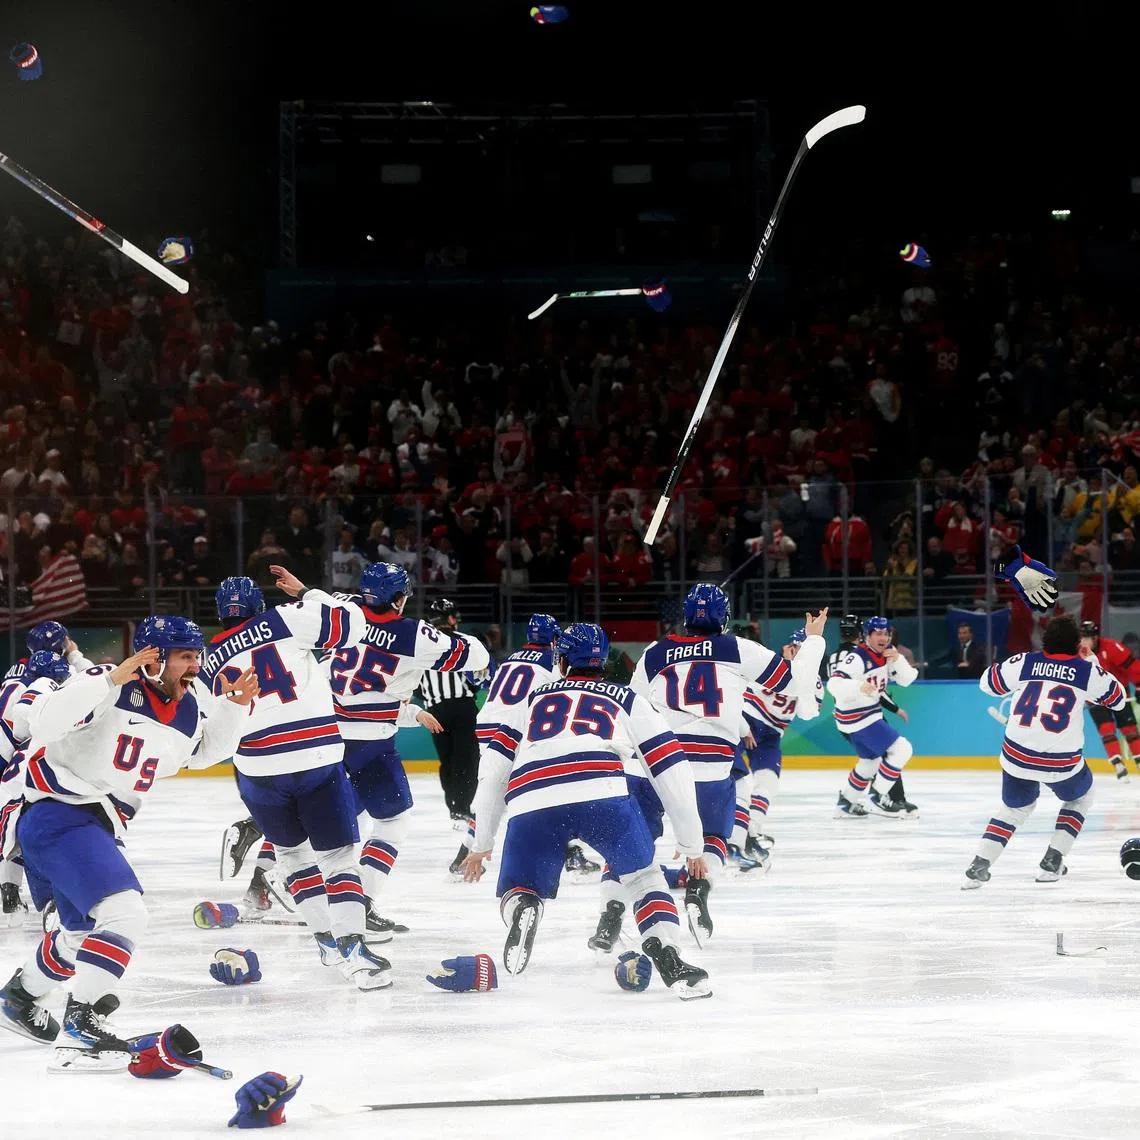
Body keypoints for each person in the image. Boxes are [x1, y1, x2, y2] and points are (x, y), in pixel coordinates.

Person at [0, 619, 256, 1071]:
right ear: (153, 658)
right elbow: (44, 722)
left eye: (196, 656)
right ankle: (80, 1029)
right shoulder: (106, 682)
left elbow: (199, 754)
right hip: (58, 813)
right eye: (185, 656)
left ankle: (19, 998)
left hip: (91, 825)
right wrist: (111, 679)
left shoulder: (188, 705)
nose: (194, 666)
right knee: (124, 912)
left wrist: (234, 708)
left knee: (79, 935)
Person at [461, 623, 711, 999]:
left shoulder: (529, 701)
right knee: (644, 880)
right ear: (604, 661)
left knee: (518, 887)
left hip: (533, 795)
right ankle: (670, 957)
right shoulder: (626, 698)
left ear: (561, 662)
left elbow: (493, 771)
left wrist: (482, 841)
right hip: (602, 791)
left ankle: (524, 906)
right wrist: (692, 844)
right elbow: (671, 768)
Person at [197, 571, 391, 990]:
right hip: (315, 757)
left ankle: (326, 941)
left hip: (256, 770)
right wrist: (308, 592)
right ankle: (353, 951)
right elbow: (354, 624)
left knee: (293, 857)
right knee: (338, 858)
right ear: (258, 604)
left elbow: (206, 734)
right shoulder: (285, 618)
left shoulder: (206, 660)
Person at [630, 585, 827, 944]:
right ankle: (699, 886)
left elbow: (635, 710)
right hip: (713, 764)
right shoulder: (738, 648)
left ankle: (611, 913)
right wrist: (814, 639)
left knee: (633, 838)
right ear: (725, 616)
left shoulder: (655, 652)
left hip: (663, 761)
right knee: (716, 835)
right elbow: (797, 684)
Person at [326, 568, 486, 935]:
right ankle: (359, 902)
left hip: (327, 733)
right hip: (372, 742)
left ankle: (283, 874)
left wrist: (305, 591)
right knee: (390, 821)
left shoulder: (343, 611)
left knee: (331, 817)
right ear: (399, 598)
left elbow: (320, 601)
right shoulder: (414, 634)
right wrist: (445, 632)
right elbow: (476, 655)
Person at [965, 614, 1122, 887]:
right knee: (1081, 798)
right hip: (1061, 762)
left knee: (1015, 809)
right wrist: (1092, 662)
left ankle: (980, 863)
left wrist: (1015, 669)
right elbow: (1117, 700)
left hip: (1016, 755)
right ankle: (1053, 859)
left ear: (1044, 641)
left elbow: (986, 684)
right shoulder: (1085, 670)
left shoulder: (1025, 661)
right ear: (1077, 645)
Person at [457, 613, 561, 876]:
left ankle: (464, 854)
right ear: (553, 638)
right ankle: (571, 856)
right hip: (515, 728)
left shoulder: (512, 657)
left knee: (491, 790)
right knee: (544, 790)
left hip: (487, 725)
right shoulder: (554, 661)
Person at [731, 627, 824, 867]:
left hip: (771, 734)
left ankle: (751, 832)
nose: (798, 652)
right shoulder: (769, 661)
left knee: (768, 782)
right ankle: (730, 836)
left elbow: (807, 712)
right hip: (745, 721)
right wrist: (741, 724)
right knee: (735, 782)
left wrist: (805, 678)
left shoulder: (814, 681)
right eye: (796, 647)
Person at [0, 651, 73, 926]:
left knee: (16, 838)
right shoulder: (47, 687)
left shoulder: (15, 685)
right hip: (28, 781)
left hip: (11, 776)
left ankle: (11, 892)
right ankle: (53, 901)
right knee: (36, 836)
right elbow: (22, 720)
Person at [829, 615, 919, 818]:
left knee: (870, 762)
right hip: (859, 717)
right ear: (867, 636)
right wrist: (858, 686)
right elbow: (834, 684)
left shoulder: (888, 654)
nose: (883, 638)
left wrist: (898, 660)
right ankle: (877, 796)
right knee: (902, 749)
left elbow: (907, 680)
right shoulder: (857, 657)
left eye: (886, 633)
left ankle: (846, 803)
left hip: (863, 716)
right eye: (878, 633)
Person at [415, 600, 485, 828]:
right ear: (451, 618)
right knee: (468, 760)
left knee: (448, 761)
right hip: (463, 708)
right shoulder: (464, 641)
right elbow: (479, 677)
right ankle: (462, 808)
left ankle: (455, 808)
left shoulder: (420, 645)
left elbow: (415, 686)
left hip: (434, 710)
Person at [1078, 621, 1140, 780]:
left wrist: (1139, 685)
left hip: (1119, 695)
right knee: (1106, 729)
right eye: (1082, 637)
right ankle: (1118, 763)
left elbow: (1132, 666)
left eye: (1087, 637)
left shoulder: (1112, 647)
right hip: (1095, 699)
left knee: (1130, 730)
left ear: (1095, 637)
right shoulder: (1077, 653)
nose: (1084, 641)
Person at [4, 621, 93, 683]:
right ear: (61, 646)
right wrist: (74, 654)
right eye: (66, 639)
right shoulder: (58, 669)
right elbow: (94, 680)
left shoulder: (21, 665)